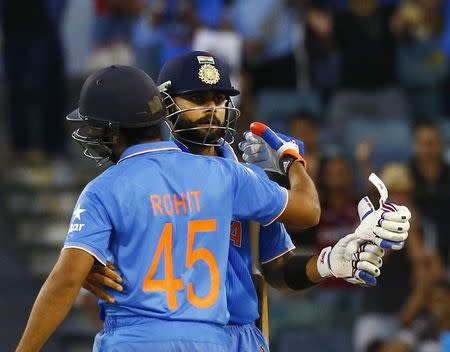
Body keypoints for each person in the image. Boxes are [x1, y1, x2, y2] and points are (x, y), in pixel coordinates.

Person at [83, 51, 411, 351]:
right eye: (197, 98)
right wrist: (87, 269)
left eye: (219, 98)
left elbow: (278, 270)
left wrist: (327, 263)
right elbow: (85, 248)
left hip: (239, 335)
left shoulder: (245, 178)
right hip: (164, 333)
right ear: (165, 104)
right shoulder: (142, 173)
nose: (212, 108)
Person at [15, 64, 320, 352]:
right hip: (210, 340)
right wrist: (292, 161)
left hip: (135, 339)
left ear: (114, 131)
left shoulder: (103, 189)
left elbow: (66, 279)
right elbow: (308, 211)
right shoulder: (224, 173)